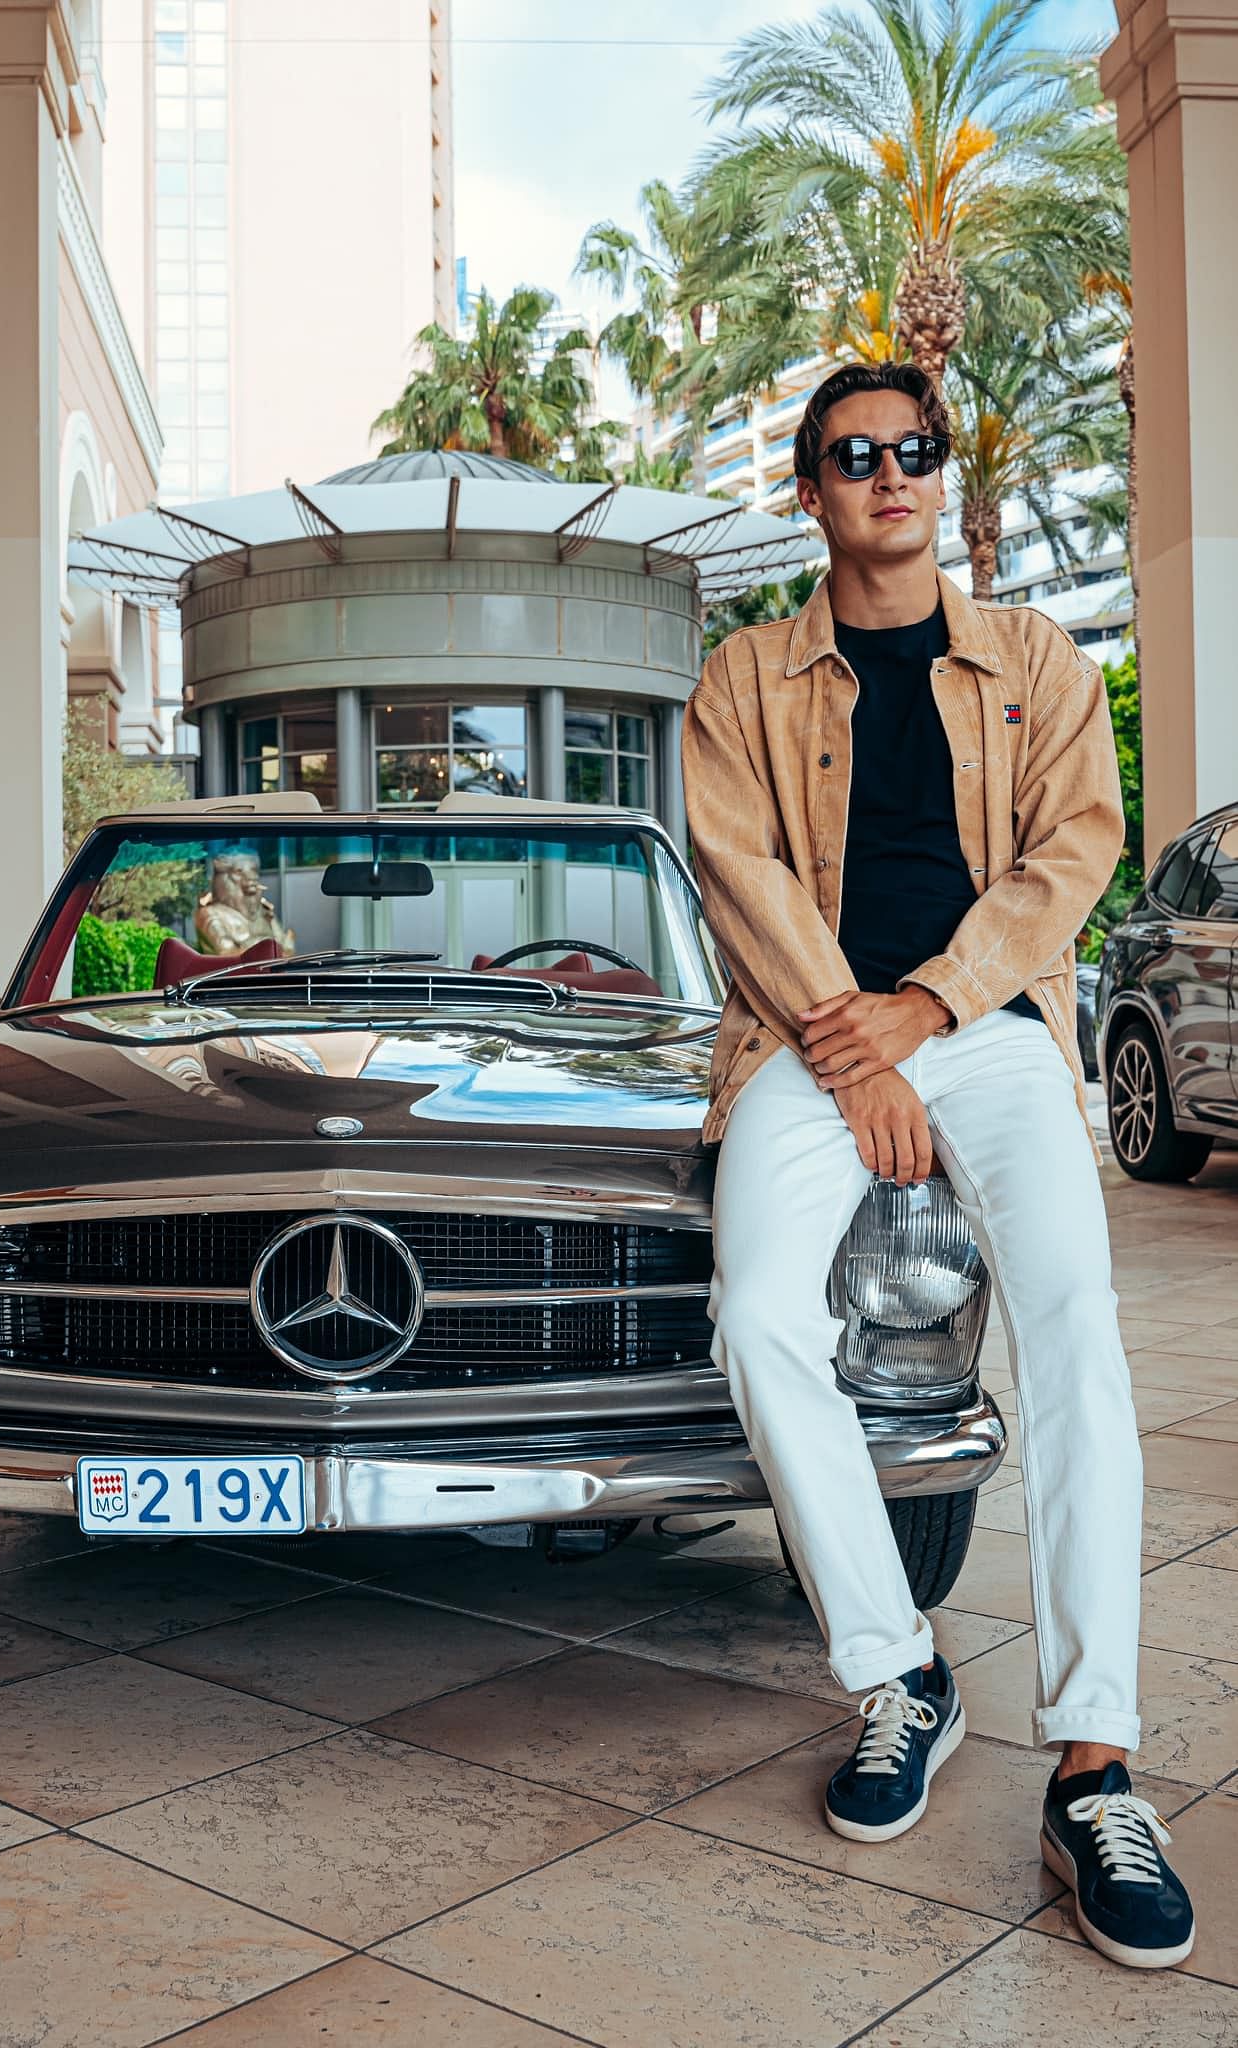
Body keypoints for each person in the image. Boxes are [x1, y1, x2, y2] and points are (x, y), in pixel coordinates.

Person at [681, 360, 1194, 1971]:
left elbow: (1075, 851)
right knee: (758, 1318)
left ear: (936, 471)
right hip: (801, 1035)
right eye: (854, 455)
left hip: (981, 1030)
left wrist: (927, 1012)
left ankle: (1094, 1762)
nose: (888, 475)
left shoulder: (1032, 657)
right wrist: (852, 1036)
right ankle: (897, 1672)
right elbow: (736, 868)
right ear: (811, 489)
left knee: (1074, 1332)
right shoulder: (744, 677)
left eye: (913, 450)